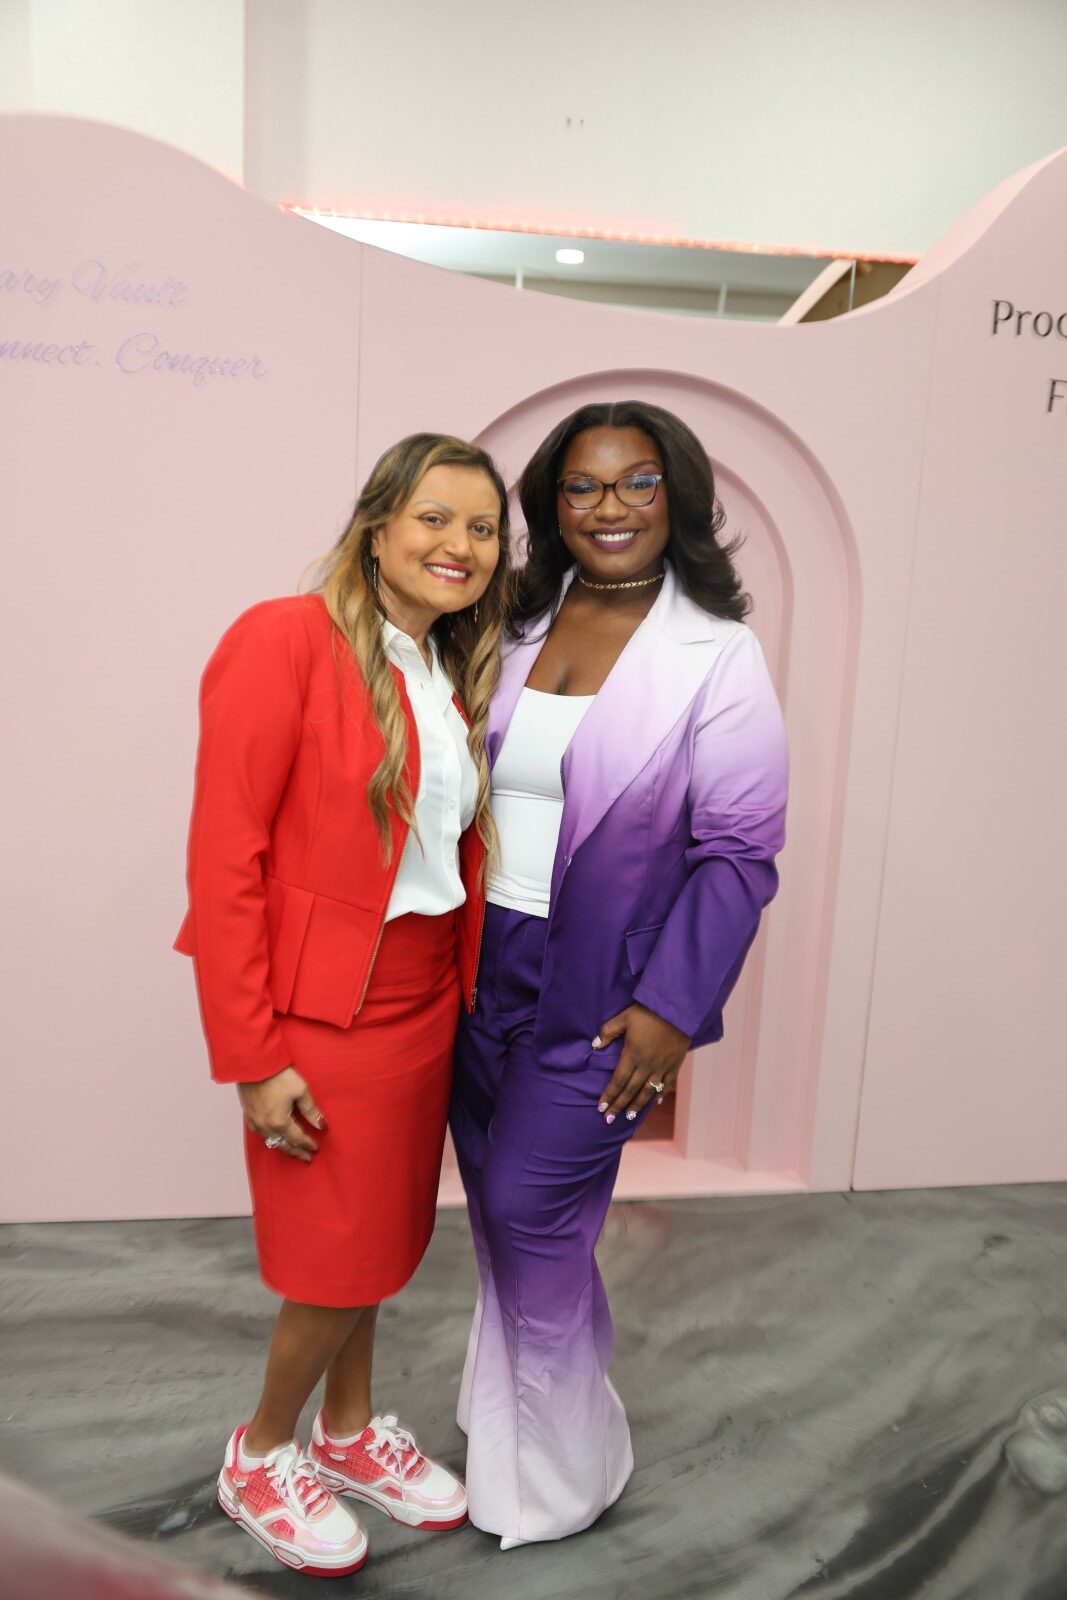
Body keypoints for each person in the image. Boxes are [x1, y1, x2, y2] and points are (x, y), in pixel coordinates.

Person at [450, 400, 789, 1546]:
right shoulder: (510, 619)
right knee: (500, 1222)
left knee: (528, 1210)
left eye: (637, 482)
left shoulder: (717, 652)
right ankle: (513, 1423)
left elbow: (738, 852)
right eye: (582, 486)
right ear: (551, 504)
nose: (610, 507)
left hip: (604, 992)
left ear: (675, 495)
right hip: (479, 969)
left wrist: (669, 1009)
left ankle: (557, 1478)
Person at [174, 433, 512, 1577]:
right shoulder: (282, 638)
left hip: (423, 999)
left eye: (480, 528)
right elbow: (223, 860)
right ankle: (262, 1451)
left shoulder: (443, 661)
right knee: (333, 1257)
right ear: (376, 527)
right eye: (433, 518)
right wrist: (251, 1053)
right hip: (322, 1013)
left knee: (381, 1242)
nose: (458, 544)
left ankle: (348, 1430)